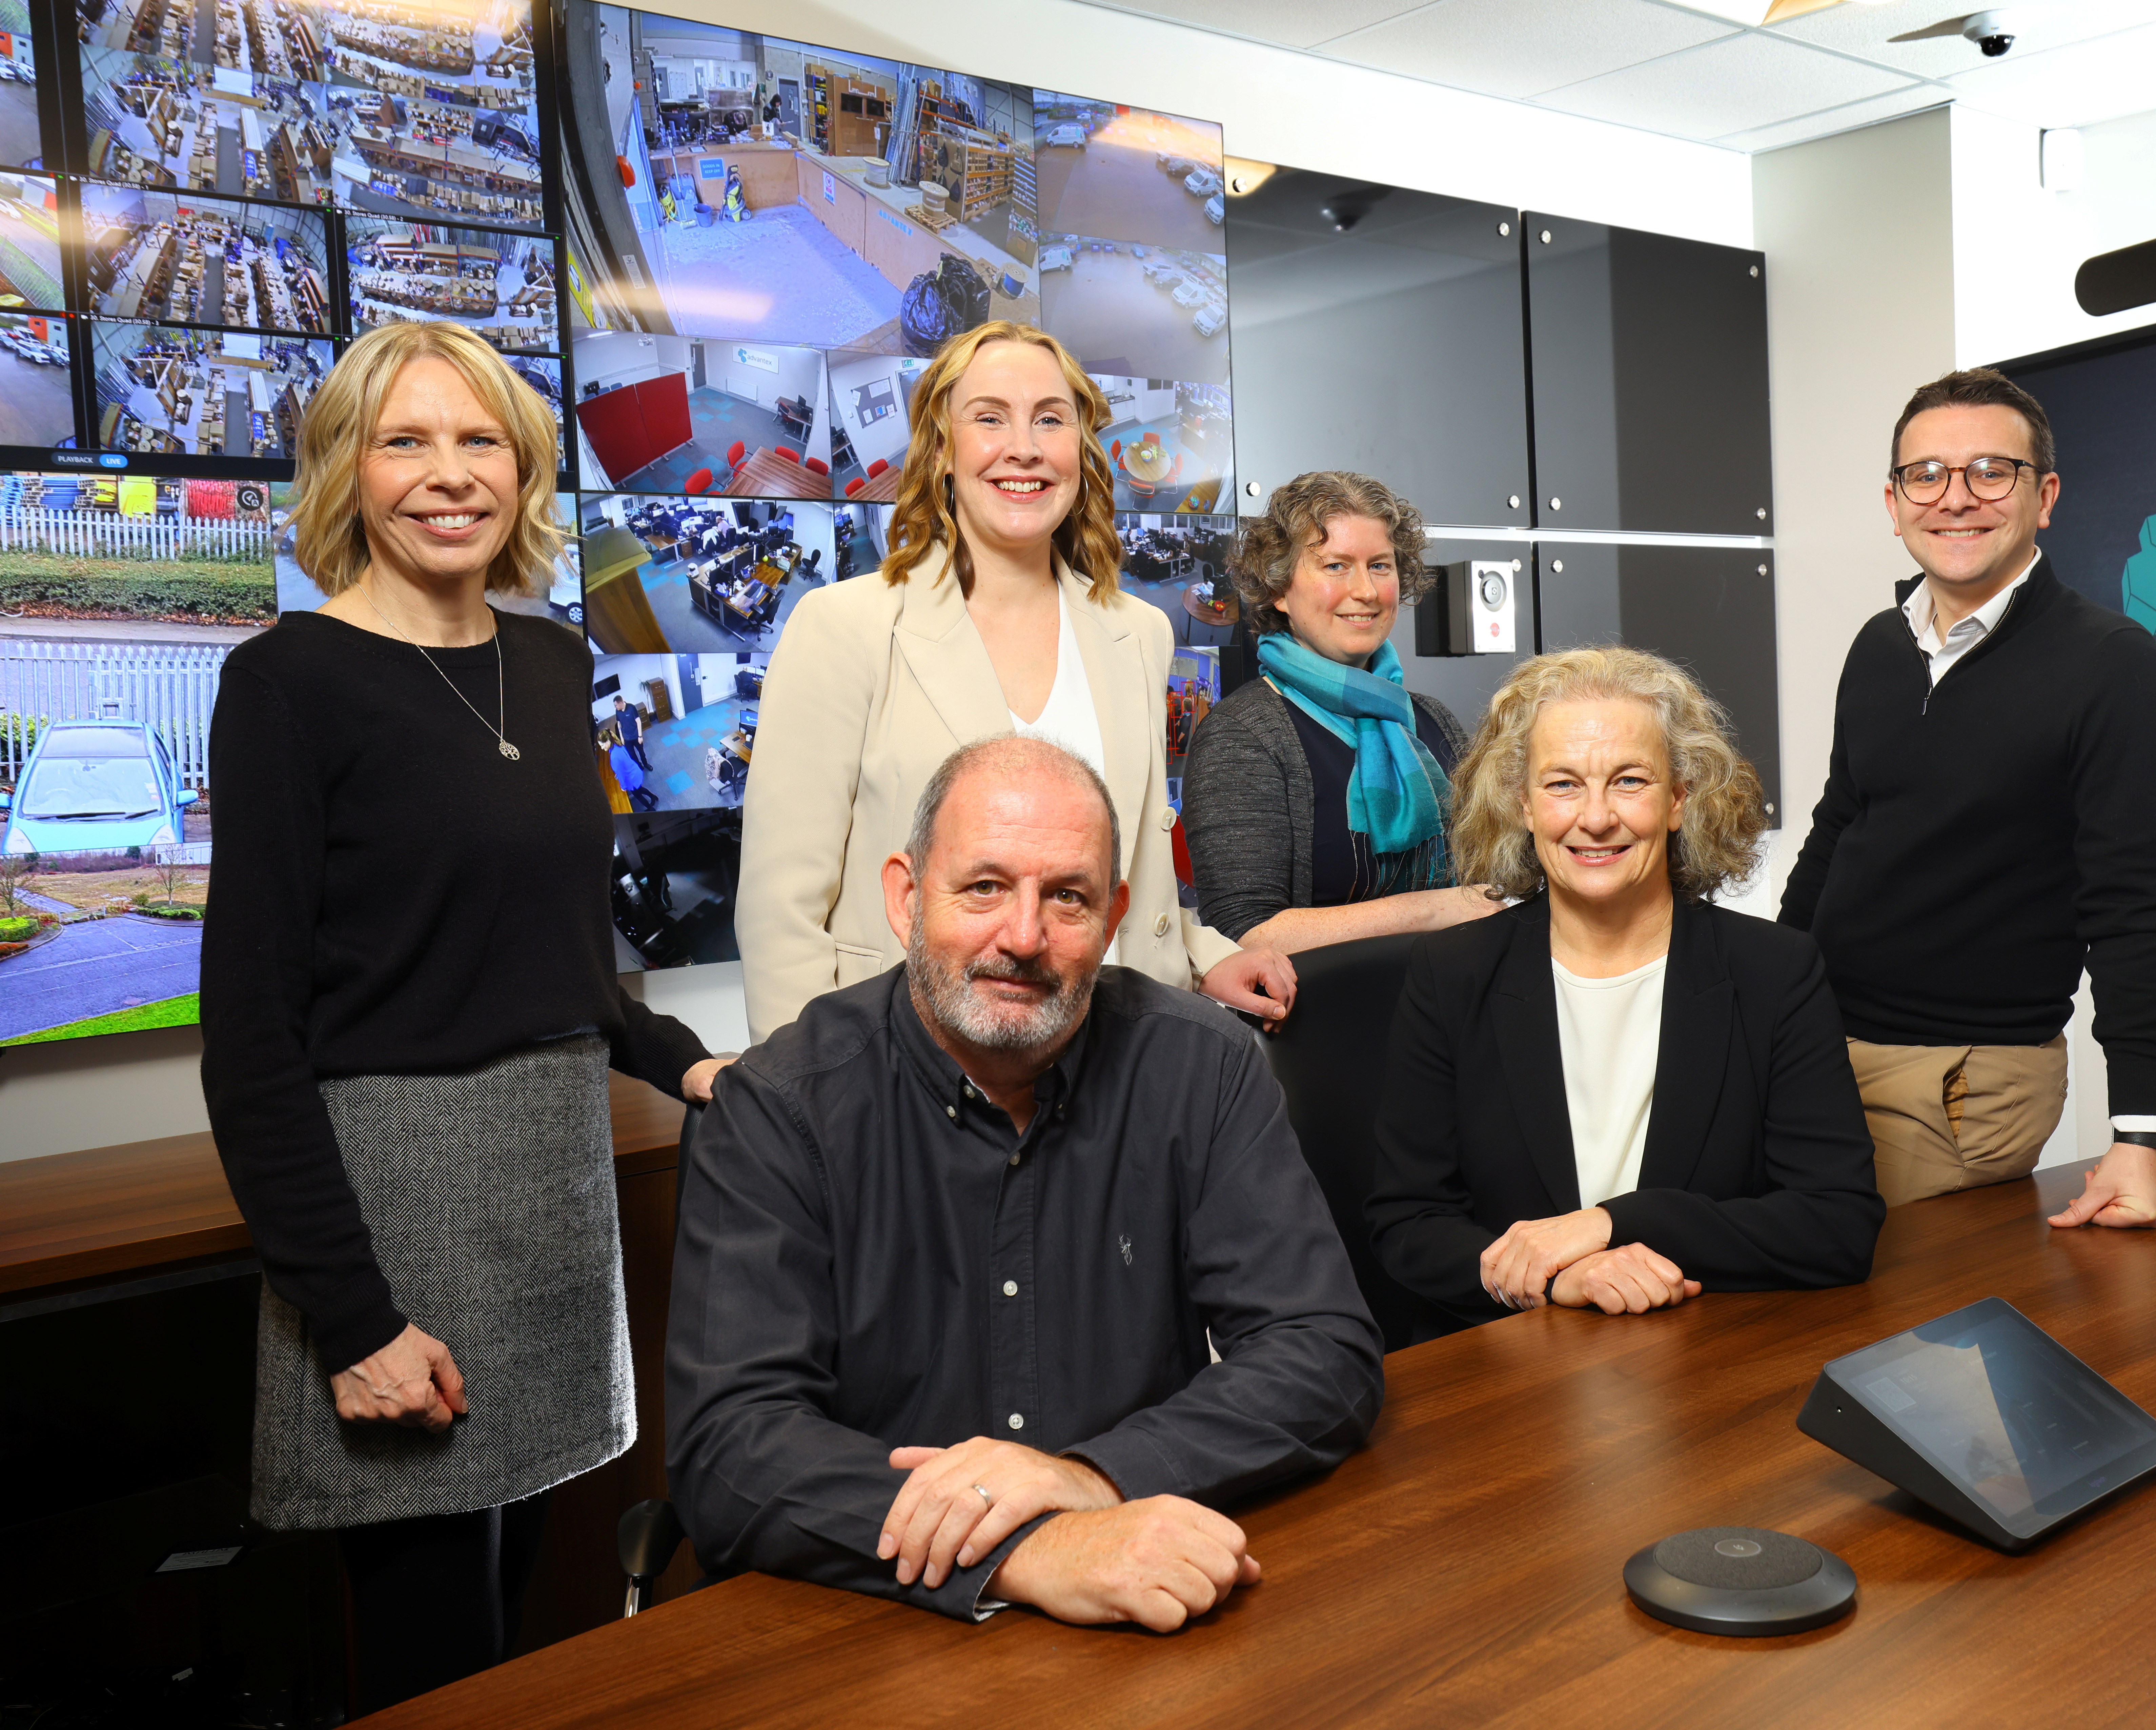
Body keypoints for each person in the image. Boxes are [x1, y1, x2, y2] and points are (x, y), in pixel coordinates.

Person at [199, 320, 731, 1713]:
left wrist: (688, 1064)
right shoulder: (286, 683)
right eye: (405, 441)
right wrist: (353, 1316)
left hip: (550, 1182)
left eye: (479, 439)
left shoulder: (550, 663)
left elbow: (559, 953)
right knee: (433, 1662)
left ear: (524, 466)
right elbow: (250, 1037)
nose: (449, 474)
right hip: (396, 1207)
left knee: (536, 1638)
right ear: (347, 470)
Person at [671, 737, 1384, 1628]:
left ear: (1114, 916)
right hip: (871, 1629)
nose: (1022, 937)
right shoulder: (779, 1107)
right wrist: (1030, 1549)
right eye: (983, 887)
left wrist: (1089, 1477)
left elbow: (1320, 1347)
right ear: (905, 897)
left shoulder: (1201, 1068)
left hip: (1145, 1591)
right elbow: (728, 1448)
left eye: (1068, 897)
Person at [737, 321, 1294, 1043]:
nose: (1024, 447)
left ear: (1080, 451)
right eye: (990, 417)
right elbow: (780, 912)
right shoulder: (845, 627)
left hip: (1112, 1057)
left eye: (1050, 420)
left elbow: (1124, 870)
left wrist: (1206, 954)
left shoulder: (1139, 633)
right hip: (908, 1064)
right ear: (942, 448)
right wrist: (806, 1087)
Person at [1778, 367, 2156, 1229]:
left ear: (2044, 497)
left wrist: (2142, 1136)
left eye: (1990, 472)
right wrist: (1767, 1006)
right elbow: (1838, 829)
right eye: (1925, 475)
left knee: (1870, 1292)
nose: (1955, 497)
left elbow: (2132, 907)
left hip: (1959, 1075)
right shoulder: (1879, 646)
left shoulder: (2112, 668)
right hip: (1820, 1041)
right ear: (1893, 503)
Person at [1368, 648, 1885, 1339]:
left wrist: (1614, 1222)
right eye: (1562, 784)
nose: (1596, 817)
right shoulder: (1450, 974)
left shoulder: (1775, 970)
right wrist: (1557, 1278)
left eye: (1629, 780)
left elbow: (1838, 1223)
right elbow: (1408, 1224)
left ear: (1678, 800)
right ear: (1523, 804)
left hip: (1710, 1360)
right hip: (1521, 1369)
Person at [1180, 471, 1500, 954]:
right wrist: (1431, 911)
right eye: (1335, 566)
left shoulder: (1434, 721)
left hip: (1457, 997)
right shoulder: (1242, 735)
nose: (1366, 590)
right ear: (1278, 589)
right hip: (1329, 1002)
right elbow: (1242, 932)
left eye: (1380, 566)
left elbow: (1495, 876)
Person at [612, 693, 651, 771]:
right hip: (627, 739)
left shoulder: (632, 708)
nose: (615, 707)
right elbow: (619, 723)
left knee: (642, 752)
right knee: (632, 755)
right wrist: (622, 737)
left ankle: (646, 764)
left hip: (636, 737)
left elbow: (638, 721)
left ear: (620, 703)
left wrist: (640, 736)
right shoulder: (618, 711)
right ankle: (640, 767)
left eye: (616, 705)